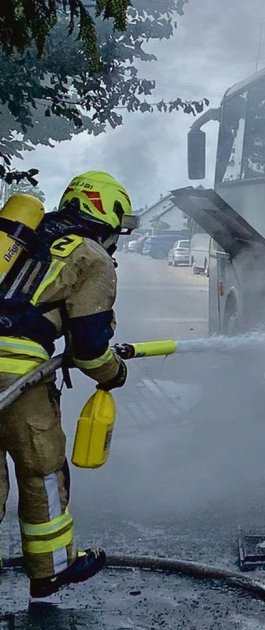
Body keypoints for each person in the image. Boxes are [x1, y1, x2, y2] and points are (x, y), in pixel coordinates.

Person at [0, 171, 134, 597]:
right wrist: (114, 373)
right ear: (108, 211)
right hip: (19, 375)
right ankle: (52, 569)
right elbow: (91, 347)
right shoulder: (90, 255)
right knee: (40, 468)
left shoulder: (20, 238)